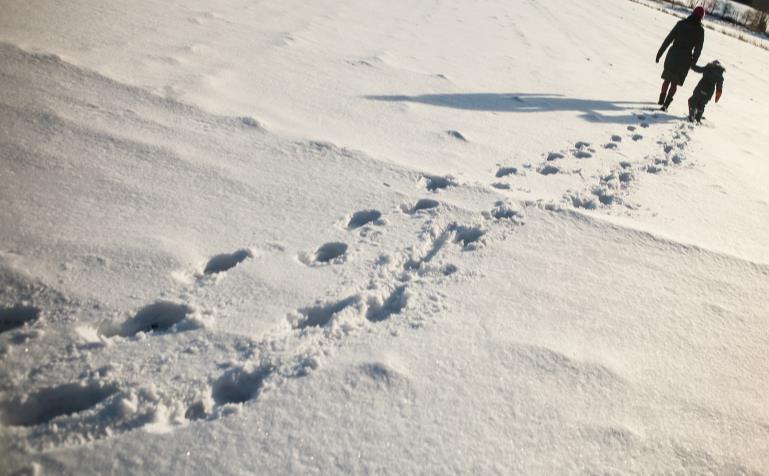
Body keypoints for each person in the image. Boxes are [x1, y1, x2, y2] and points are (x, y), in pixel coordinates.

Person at [656, 6, 705, 111]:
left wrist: (659, 54)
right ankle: (665, 105)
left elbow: (668, 39)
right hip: (685, 59)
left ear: (693, 13)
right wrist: (693, 62)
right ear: (701, 17)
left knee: (667, 79)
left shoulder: (681, 24)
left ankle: (660, 101)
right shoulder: (700, 30)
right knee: (674, 83)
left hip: (673, 54)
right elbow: (698, 49)